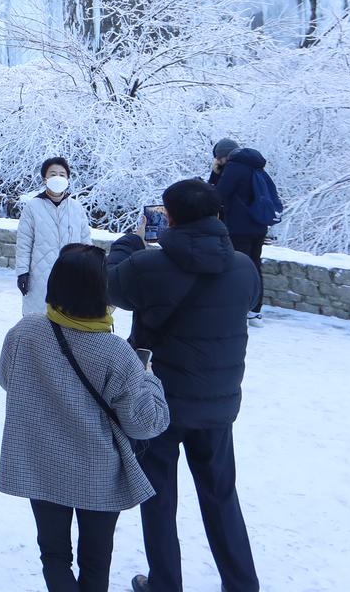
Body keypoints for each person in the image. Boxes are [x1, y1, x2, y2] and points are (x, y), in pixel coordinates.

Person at [108, 179, 261, 592]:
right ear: (218, 215)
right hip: (217, 404)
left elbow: (108, 285)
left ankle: (164, 583)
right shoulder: (244, 268)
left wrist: (129, 242)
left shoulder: (148, 267)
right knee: (221, 496)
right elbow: (250, 302)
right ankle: (242, 584)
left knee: (158, 498)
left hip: (159, 403)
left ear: (169, 217)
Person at [0, 244, 170, 592]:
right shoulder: (116, 352)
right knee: (96, 560)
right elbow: (146, 423)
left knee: (54, 555)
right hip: (98, 471)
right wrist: (148, 375)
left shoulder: (25, 332)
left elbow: (6, 379)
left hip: (41, 462)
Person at [208, 139, 278, 320]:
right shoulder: (254, 166)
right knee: (254, 266)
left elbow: (217, 196)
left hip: (239, 228)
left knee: (237, 268)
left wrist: (214, 176)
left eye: (217, 158)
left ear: (223, 156)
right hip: (258, 226)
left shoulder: (234, 168)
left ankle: (237, 309)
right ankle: (255, 309)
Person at [15, 157, 92, 316]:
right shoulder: (33, 207)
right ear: (45, 178)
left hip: (72, 275)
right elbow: (24, 242)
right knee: (39, 319)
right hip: (40, 276)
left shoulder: (76, 208)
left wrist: (90, 270)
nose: (58, 178)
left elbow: (86, 243)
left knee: (70, 320)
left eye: (62, 174)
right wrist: (22, 272)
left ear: (68, 179)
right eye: (53, 174)